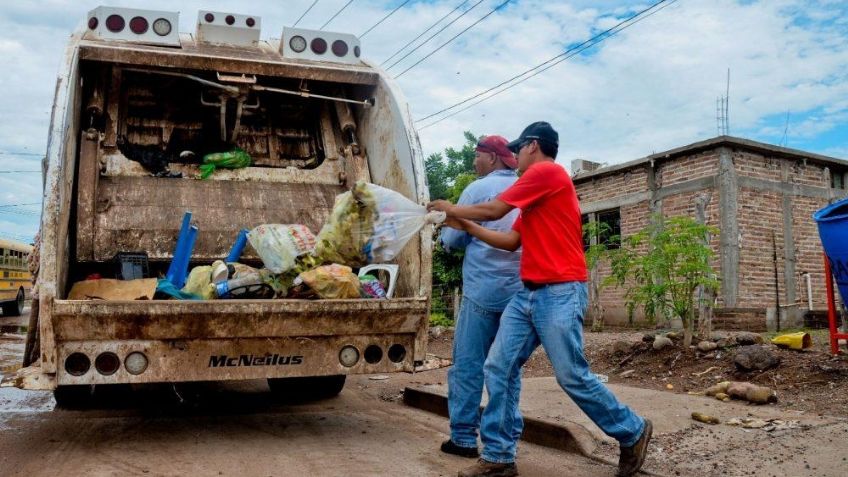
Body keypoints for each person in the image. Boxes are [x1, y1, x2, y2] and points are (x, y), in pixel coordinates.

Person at [428, 122, 652, 477]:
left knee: (571, 376)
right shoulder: (534, 195)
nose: (514, 157)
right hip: (527, 294)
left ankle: (632, 430)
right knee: (498, 367)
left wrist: (452, 210)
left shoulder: (547, 172)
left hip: (559, 292)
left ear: (533, 146)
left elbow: (494, 211)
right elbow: (510, 242)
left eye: (518, 149)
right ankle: (499, 458)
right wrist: (466, 227)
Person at [438, 135, 522, 459]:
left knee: (468, 365)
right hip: (517, 294)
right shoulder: (523, 189)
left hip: (480, 292)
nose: (474, 162)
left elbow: (453, 238)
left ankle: (462, 438)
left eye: (477, 156)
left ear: (492, 158)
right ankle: (503, 446)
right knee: (507, 370)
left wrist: (448, 237)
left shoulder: (476, 190)